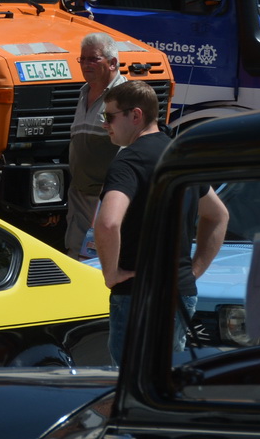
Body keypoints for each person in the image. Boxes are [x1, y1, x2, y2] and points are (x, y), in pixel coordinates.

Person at [93, 79, 229, 362]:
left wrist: (111, 274)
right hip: (180, 292)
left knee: (129, 385)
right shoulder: (182, 154)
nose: (105, 124)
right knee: (165, 382)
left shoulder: (127, 162)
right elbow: (218, 215)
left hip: (137, 295)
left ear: (135, 115)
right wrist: (194, 271)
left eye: (109, 116)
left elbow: (108, 223)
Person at [65, 32, 124, 258]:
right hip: (79, 195)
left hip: (105, 199)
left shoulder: (124, 96)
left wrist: (109, 197)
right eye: (83, 59)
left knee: (103, 258)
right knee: (75, 255)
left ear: (112, 63)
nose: (86, 64)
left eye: (94, 59)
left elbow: (130, 150)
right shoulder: (83, 93)